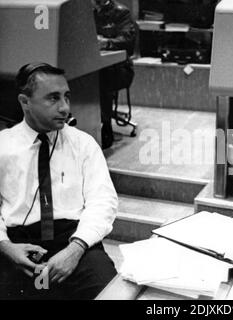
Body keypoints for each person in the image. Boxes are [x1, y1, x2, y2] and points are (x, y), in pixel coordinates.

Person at [0, 62, 118, 299]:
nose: (65, 107)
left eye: (67, 97)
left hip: (74, 240)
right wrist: (5, 246)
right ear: (25, 102)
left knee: (112, 295)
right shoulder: (3, 145)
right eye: (53, 98)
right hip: (18, 244)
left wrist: (75, 249)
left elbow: (103, 202)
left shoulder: (83, 144)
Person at [92, 0, 136, 149]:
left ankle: (105, 125)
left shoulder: (121, 12)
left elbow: (128, 42)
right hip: (94, 65)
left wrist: (105, 43)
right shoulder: (88, 14)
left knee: (102, 76)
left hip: (120, 69)